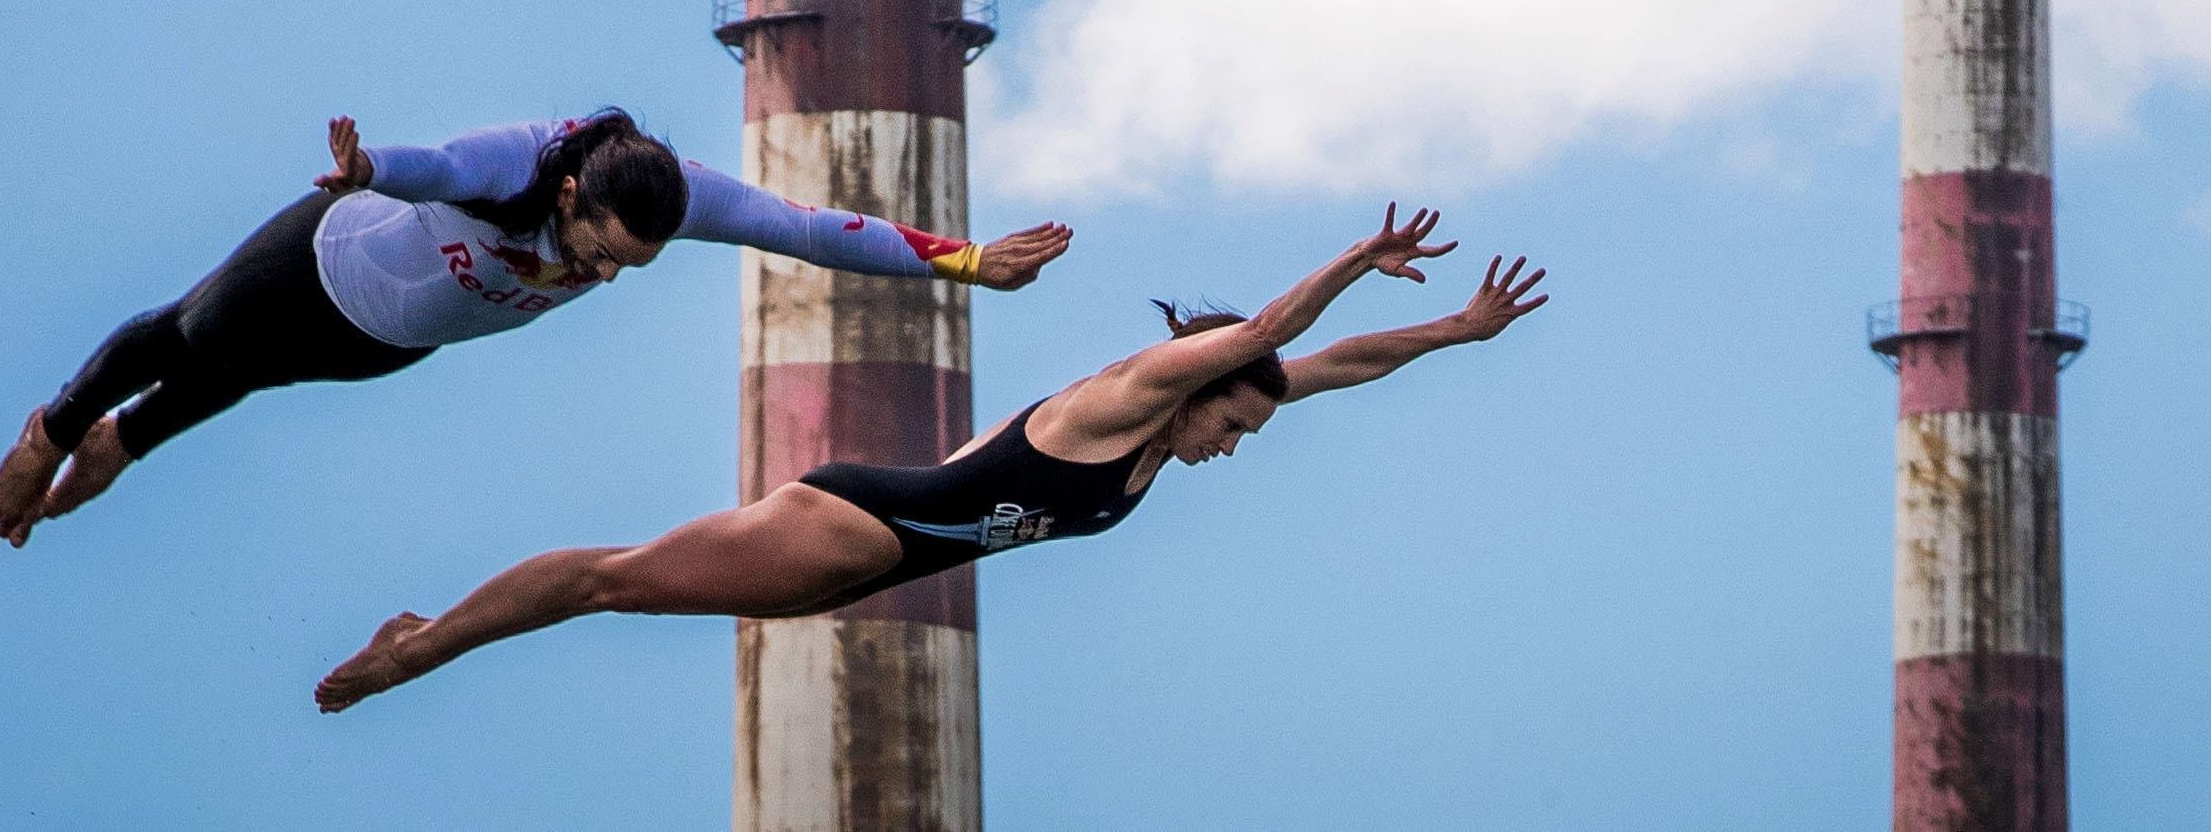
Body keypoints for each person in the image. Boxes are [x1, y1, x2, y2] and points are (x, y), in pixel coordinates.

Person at [313, 205, 1544, 712]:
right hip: (856, 526)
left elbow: (1324, 365)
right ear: (1195, 386)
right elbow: (1272, 334)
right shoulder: (1127, 400)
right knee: (610, 579)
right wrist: (1348, 257)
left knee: (626, 586)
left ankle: (431, 631)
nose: (1231, 443)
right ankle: (416, 646)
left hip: (870, 566)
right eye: (1229, 420)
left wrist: (1451, 328)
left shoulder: (1190, 428)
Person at [0, 112, 1070, 546]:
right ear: (568, 200)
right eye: (600, 250)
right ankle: (59, 425)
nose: (604, 273)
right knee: (192, 337)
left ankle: (121, 446)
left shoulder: (674, 195)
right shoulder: (522, 159)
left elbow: (808, 228)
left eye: (626, 267)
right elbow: (440, 168)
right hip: (321, 260)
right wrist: (373, 171)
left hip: (385, 339)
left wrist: (966, 262)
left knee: (243, 380)